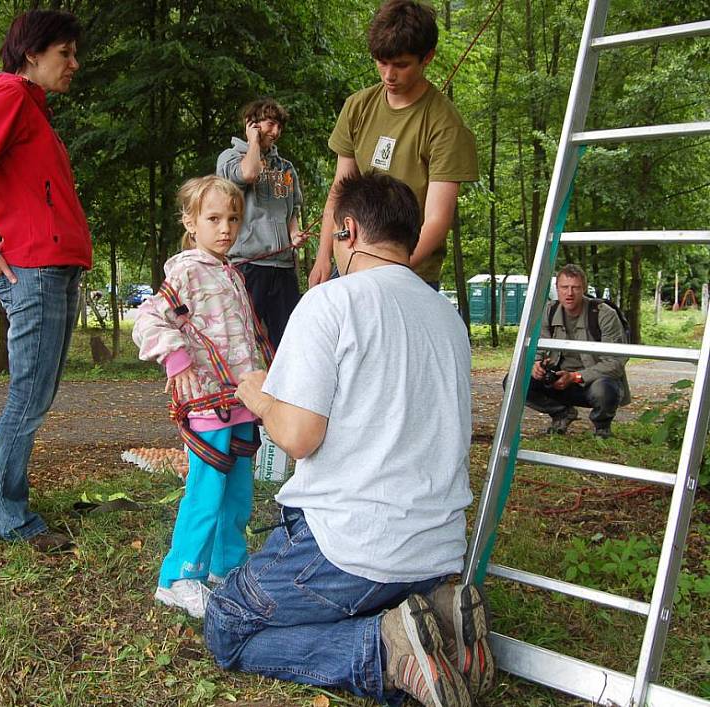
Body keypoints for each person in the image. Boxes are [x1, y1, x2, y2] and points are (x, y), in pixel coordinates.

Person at [204, 174, 494, 707]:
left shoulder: (330, 303)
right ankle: (437, 615)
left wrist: (261, 397)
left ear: (349, 230)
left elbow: (297, 437)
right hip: (438, 549)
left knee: (227, 623)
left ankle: (385, 652)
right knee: (361, 592)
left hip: (350, 550)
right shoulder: (448, 317)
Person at [0, 10, 91, 552]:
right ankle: (8, 516)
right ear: (33, 54)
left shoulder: (30, 110)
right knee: (28, 395)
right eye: (64, 53)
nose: (74, 64)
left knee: (35, 393)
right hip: (33, 268)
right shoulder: (8, 97)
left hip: (53, 265)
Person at [133, 176, 270, 619]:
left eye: (233, 218)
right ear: (191, 223)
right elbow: (148, 321)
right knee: (206, 491)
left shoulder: (229, 271)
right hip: (207, 404)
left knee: (238, 492)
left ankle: (226, 567)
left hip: (241, 401)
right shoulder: (188, 271)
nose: (226, 228)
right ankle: (178, 577)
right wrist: (177, 361)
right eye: (213, 219)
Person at [308, 0, 478, 291]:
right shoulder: (357, 106)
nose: (389, 75)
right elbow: (340, 190)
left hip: (412, 272)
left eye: (401, 65)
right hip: (351, 266)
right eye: (382, 62)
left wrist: (390, 270)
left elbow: (438, 219)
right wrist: (324, 254)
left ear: (428, 57)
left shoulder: (445, 124)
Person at [216, 98, 305, 348]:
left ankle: (283, 387)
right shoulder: (229, 158)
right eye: (270, 124)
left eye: (279, 126)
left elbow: (292, 209)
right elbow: (248, 174)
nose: (275, 132)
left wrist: (294, 233)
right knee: (244, 339)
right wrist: (253, 142)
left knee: (288, 341)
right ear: (252, 124)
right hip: (248, 266)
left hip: (283, 266)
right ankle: (243, 387)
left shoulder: (285, 168)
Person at [526, 263, 630, 438]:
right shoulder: (549, 311)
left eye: (575, 287)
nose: (569, 293)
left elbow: (616, 363)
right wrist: (535, 364)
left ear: (584, 289)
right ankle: (562, 413)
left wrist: (575, 377)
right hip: (558, 380)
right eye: (564, 287)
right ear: (557, 289)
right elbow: (539, 348)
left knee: (605, 389)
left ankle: (602, 427)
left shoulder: (604, 314)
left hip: (593, 382)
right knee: (515, 380)